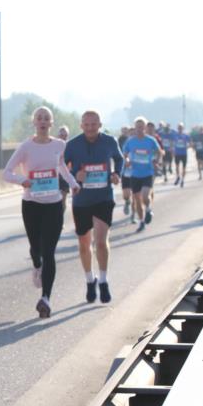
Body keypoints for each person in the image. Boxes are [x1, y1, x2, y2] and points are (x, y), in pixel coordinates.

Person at [3, 107, 80, 318]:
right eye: (39, 118)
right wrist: (23, 180)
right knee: (36, 249)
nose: (43, 121)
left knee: (49, 252)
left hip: (54, 204)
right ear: (34, 123)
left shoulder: (59, 144)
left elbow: (61, 166)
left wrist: (73, 183)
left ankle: (45, 298)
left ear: (51, 123)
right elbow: (6, 173)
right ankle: (36, 265)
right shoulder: (26, 147)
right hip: (31, 204)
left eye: (47, 118)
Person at [63, 110, 123, 304]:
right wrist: (74, 176)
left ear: (100, 125)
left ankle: (103, 280)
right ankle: (90, 280)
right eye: (87, 125)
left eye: (94, 124)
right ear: (81, 126)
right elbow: (61, 168)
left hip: (103, 198)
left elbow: (119, 159)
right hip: (81, 200)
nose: (90, 128)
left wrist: (116, 173)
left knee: (101, 241)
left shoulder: (109, 141)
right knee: (84, 244)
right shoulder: (72, 145)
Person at [122, 117, 161, 233]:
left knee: (145, 196)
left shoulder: (150, 140)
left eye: (141, 127)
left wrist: (156, 161)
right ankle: (142, 221)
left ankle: (148, 209)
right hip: (135, 174)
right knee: (137, 200)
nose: (139, 129)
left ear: (145, 127)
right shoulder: (130, 141)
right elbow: (124, 153)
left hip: (147, 172)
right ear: (135, 128)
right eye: (137, 127)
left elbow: (159, 152)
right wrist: (127, 160)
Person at [172, 122, 191, 187]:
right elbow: (172, 142)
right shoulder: (175, 135)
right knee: (177, 166)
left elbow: (190, 142)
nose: (180, 129)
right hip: (177, 153)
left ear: (183, 128)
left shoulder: (185, 135)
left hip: (184, 153)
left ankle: (182, 180)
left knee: (184, 168)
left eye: (181, 128)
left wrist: (188, 146)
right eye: (179, 127)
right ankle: (178, 177)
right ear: (177, 128)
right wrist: (172, 150)